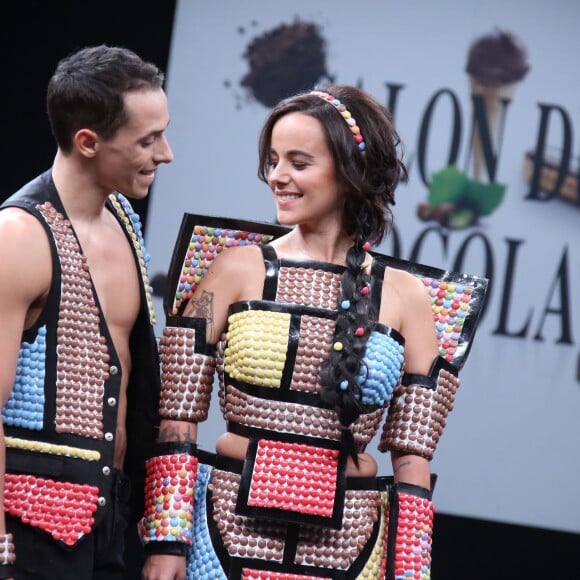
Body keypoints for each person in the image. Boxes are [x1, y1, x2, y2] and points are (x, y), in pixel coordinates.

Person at [141, 84, 487, 579]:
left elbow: (413, 459)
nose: (278, 177)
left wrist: (411, 572)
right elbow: (175, 418)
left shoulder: (407, 296)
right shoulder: (232, 270)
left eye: (298, 164)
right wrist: (166, 542)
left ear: (350, 175)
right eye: (274, 161)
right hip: (221, 535)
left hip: (351, 546)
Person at [0, 45, 173, 579]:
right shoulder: (19, 238)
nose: (165, 153)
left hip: (107, 521)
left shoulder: (123, 217)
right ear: (88, 142)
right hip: (30, 527)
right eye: (148, 139)